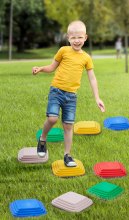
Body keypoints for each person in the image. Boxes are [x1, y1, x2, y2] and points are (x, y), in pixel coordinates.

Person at [32, 20, 105, 167]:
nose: (76, 41)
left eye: (80, 37)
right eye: (73, 37)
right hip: (56, 91)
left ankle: (67, 155)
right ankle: (42, 139)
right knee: (52, 119)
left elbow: (92, 78)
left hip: (71, 96)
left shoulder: (86, 58)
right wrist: (40, 69)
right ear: (68, 37)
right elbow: (52, 67)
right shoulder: (63, 51)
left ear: (85, 37)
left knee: (68, 126)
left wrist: (97, 97)